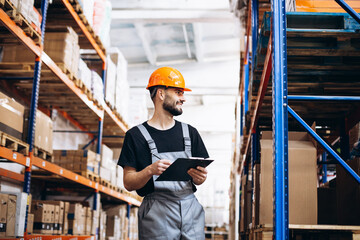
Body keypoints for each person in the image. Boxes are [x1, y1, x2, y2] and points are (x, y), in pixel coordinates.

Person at [118, 66, 210, 240]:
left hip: (191, 209)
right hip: (157, 213)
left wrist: (201, 178)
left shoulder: (191, 133)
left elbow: (201, 175)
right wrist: (150, 171)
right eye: (178, 92)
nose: (183, 98)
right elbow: (128, 182)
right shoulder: (136, 136)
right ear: (161, 94)